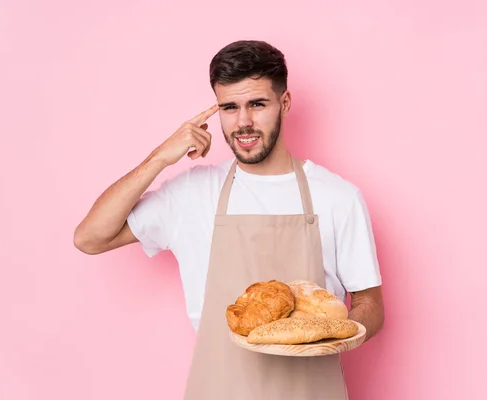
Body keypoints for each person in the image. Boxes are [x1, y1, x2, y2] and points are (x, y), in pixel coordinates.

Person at [74, 40, 385, 399]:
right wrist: (160, 157)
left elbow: (371, 304)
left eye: (257, 104)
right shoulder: (191, 193)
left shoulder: (337, 197)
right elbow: (90, 238)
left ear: (284, 104)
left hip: (311, 388)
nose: (243, 122)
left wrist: (327, 333)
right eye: (229, 107)